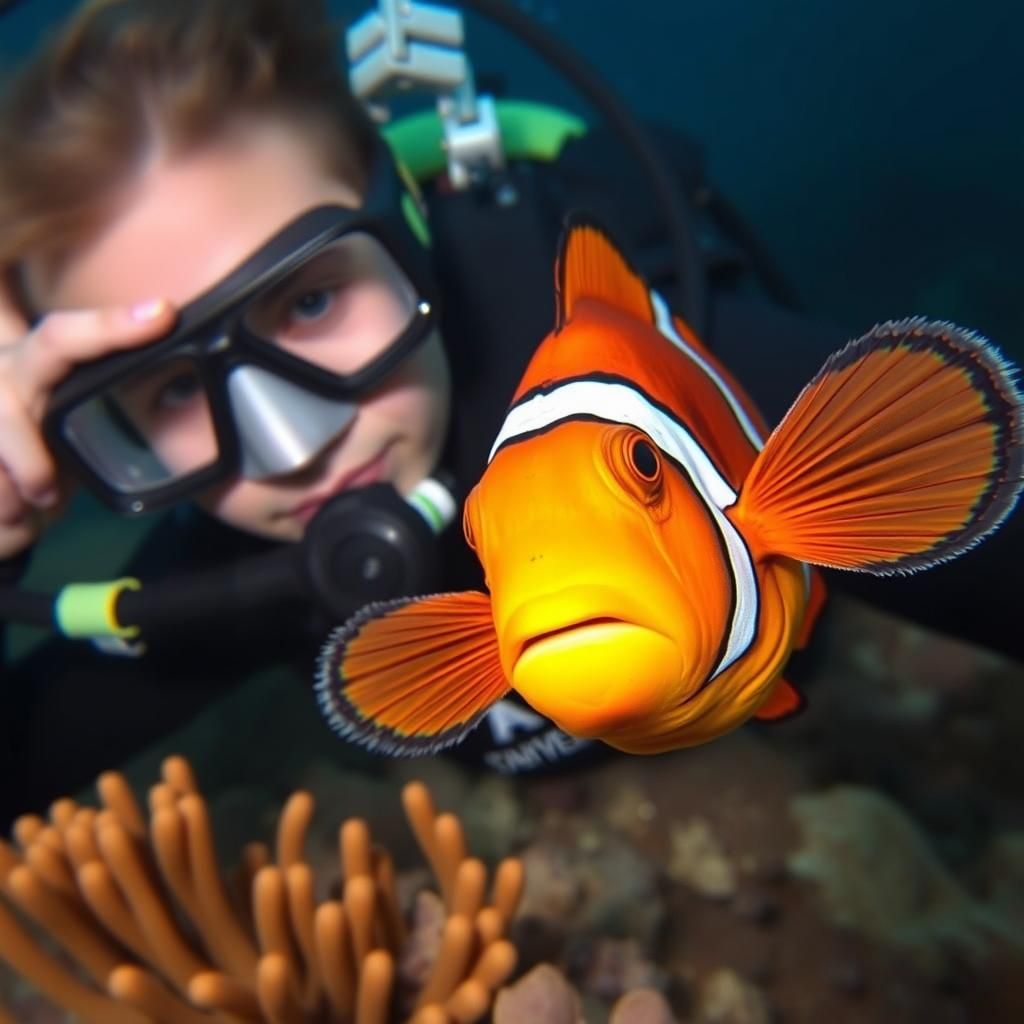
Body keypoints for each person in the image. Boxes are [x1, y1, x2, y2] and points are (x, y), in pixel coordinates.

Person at [0, 0, 1020, 829]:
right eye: (173, 389)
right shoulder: (223, 579)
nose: (292, 444)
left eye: (309, 301)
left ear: (411, 228)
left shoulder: (683, 365)